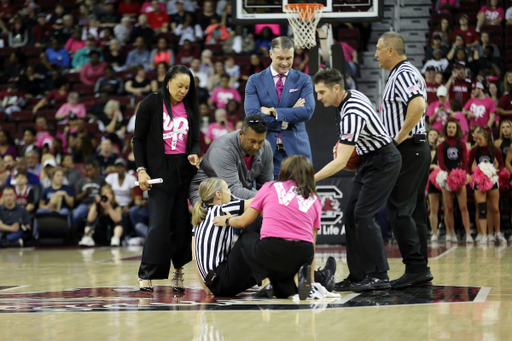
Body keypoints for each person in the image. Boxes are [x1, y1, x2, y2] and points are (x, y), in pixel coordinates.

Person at [312, 68, 401, 291]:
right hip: (368, 161)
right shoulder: (350, 97)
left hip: (383, 160)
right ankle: (358, 275)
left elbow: (341, 162)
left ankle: (379, 276)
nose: (319, 97)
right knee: (351, 215)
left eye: (322, 92)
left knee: (363, 215)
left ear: (336, 88)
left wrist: (311, 179)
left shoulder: (351, 112)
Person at [212, 155, 323, 299]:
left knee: (246, 238)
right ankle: (302, 280)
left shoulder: (271, 187)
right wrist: (311, 279)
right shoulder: (315, 198)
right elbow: (312, 242)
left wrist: (227, 221)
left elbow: (243, 222)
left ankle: (265, 282)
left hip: (273, 248)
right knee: (283, 289)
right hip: (304, 253)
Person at [133, 65, 200, 293]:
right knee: (159, 223)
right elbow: (138, 139)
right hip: (159, 172)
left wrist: (193, 152)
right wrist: (141, 169)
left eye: (187, 87)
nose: (183, 91)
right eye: (180, 86)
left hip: (184, 169)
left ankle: (179, 270)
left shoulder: (190, 105)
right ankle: (147, 273)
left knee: (181, 224)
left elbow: (196, 139)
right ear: (168, 81)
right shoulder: (151, 104)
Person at [375, 32, 433, 288]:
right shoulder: (399, 74)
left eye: (378, 49)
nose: (375, 54)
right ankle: (419, 267)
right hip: (415, 148)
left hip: (409, 148)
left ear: (391, 50)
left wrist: (398, 139)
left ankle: (415, 267)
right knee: (414, 211)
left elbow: (419, 105)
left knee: (399, 208)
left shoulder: (404, 73)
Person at [245, 36, 316, 179]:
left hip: (297, 152)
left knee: (301, 199)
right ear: (271, 54)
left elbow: (307, 112)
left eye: (289, 58)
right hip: (266, 152)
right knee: (268, 199)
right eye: (280, 58)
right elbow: (252, 117)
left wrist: (273, 112)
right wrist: (290, 114)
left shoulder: (304, 80)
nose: (285, 63)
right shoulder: (254, 80)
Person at [191, 178, 257, 296]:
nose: (230, 193)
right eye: (227, 189)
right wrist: (271, 189)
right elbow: (256, 202)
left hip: (215, 285)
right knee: (255, 224)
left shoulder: (199, 218)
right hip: (224, 278)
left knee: (258, 273)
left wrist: (206, 288)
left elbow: (194, 259)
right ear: (218, 194)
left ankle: (270, 275)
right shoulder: (222, 209)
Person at [189, 115, 274, 206]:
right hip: (208, 195)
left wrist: (270, 198)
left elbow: (266, 185)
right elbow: (233, 190)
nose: (256, 146)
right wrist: (268, 198)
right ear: (241, 134)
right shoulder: (223, 149)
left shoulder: (265, 147)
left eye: (260, 141)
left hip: (241, 192)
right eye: (252, 141)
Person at [468, 128, 507, 244]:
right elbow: (468, 165)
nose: (478, 141)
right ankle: (484, 235)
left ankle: (498, 233)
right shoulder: (474, 151)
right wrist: (470, 174)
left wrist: (495, 172)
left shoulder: (495, 150)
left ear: (486, 139)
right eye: (477, 139)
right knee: (482, 208)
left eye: (480, 139)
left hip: (492, 181)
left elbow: (502, 165)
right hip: (479, 182)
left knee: (495, 208)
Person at [437, 120, 472, 243]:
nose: (451, 129)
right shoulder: (441, 146)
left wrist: (457, 173)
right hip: (447, 177)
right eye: (449, 127)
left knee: (463, 206)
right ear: (446, 129)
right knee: (449, 207)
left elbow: (465, 162)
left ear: (457, 130)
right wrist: (449, 174)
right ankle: (450, 233)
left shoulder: (461, 145)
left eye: (453, 127)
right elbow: (441, 163)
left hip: (459, 176)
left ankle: (468, 234)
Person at [73, 159, 106, 229]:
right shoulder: (81, 181)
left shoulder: (102, 180)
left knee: (96, 216)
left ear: (95, 169)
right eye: (87, 170)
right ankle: (73, 236)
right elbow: (76, 198)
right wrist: (84, 194)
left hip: (98, 205)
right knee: (76, 214)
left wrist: (96, 204)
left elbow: (105, 195)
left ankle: (93, 236)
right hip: (84, 204)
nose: (88, 172)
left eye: (90, 170)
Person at [105, 158, 137, 230]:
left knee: (124, 213)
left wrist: (127, 206)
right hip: (114, 203)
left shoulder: (131, 178)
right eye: (117, 166)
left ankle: (124, 236)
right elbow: (107, 192)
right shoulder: (110, 177)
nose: (119, 168)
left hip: (126, 203)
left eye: (121, 166)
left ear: (125, 168)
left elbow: (133, 197)